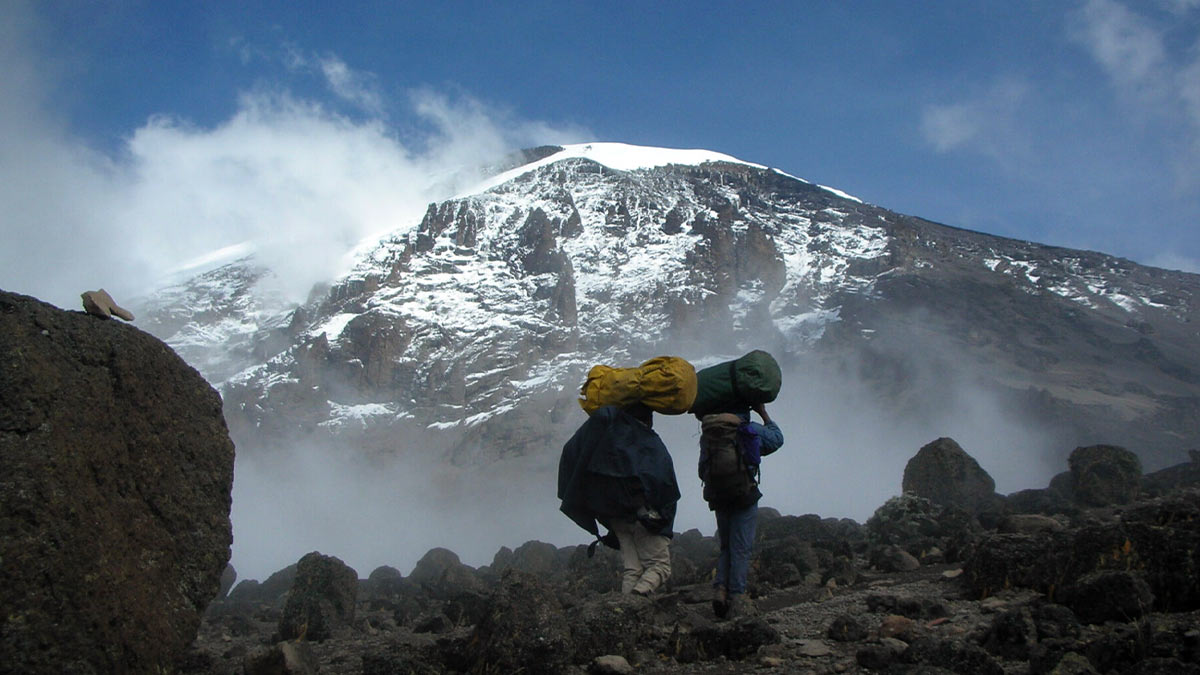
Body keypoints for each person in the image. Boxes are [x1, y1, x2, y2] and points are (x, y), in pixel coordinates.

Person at [558, 403, 680, 595]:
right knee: (660, 567)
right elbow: (661, 481)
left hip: (615, 517)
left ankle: (626, 607)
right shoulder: (645, 441)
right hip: (643, 515)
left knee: (633, 569)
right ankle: (639, 596)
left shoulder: (605, 442)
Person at [702, 402, 783, 618]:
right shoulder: (748, 429)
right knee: (741, 548)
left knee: (726, 545)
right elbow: (777, 439)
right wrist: (763, 413)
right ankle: (737, 596)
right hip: (744, 494)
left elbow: (703, 470)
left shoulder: (709, 433)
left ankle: (720, 589)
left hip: (719, 495)